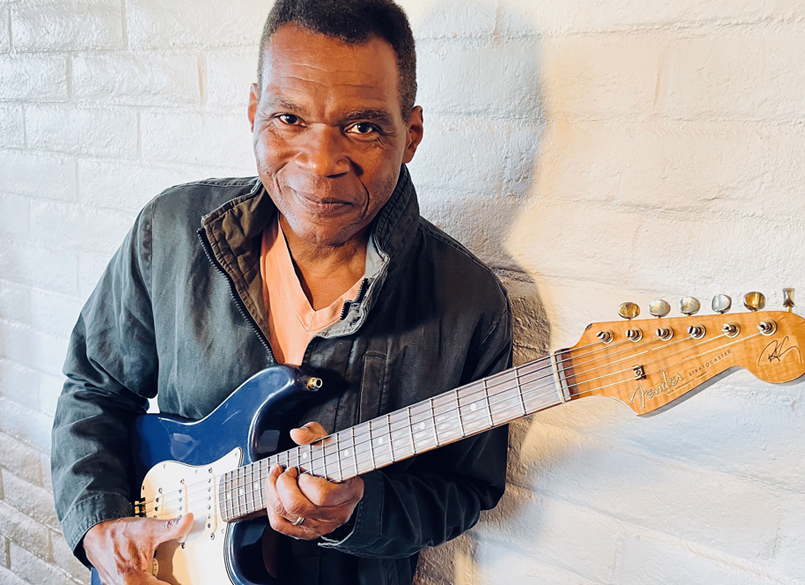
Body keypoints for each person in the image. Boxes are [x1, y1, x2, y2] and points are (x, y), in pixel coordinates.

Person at [51, 1, 512, 583]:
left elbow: (465, 488)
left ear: (411, 134)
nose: (320, 164)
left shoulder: (471, 303)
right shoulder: (167, 234)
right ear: (254, 110)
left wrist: (356, 511)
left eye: (363, 126)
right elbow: (95, 387)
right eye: (289, 120)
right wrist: (99, 524)